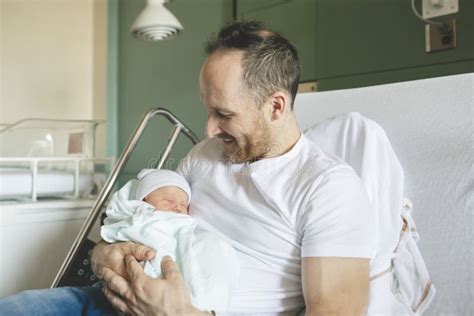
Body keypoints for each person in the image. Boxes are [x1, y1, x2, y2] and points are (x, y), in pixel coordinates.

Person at [0, 20, 376, 315]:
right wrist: (103, 257)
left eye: (224, 113)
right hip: (102, 301)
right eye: (207, 109)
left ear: (276, 106)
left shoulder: (328, 189)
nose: (209, 128)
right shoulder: (202, 156)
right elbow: (143, 224)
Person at [101, 168, 239, 313]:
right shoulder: (140, 220)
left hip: (175, 300)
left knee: (213, 246)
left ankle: (201, 302)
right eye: (168, 201)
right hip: (145, 276)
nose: (178, 207)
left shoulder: (183, 224)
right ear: (144, 201)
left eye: (184, 204)